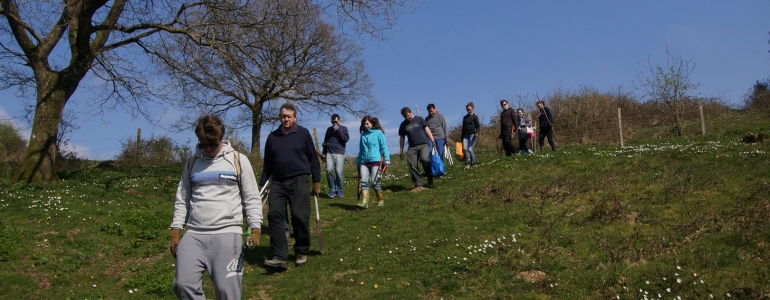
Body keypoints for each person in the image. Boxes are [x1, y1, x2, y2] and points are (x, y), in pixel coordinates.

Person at [169, 114, 263, 299]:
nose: (209, 149)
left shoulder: (238, 160)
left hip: (228, 233)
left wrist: (256, 228)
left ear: (222, 138)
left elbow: (252, 197)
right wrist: (175, 230)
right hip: (195, 233)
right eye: (204, 144)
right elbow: (182, 198)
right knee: (182, 284)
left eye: (213, 144)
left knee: (227, 291)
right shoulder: (192, 163)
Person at [260, 102, 321, 270]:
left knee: (299, 215)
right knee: (274, 216)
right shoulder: (272, 137)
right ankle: (279, 256)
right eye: (283, 116)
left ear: (294, 117)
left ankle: (301, 250)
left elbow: (313, 158)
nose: (286, 119)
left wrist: (316, 181)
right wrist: (262, 187)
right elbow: (268, 165)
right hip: (278, 182)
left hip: (299, 179)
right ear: (279, 118)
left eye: (289, 116)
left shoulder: (303, 133)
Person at [355, 116, 391, 208]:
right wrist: (358, 162)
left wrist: (387, 159)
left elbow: (384, 146)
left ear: (372, 123)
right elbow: (361, 149)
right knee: (363, 181)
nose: (365, 125)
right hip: (364, 161)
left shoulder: (378, 133)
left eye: (367, 123)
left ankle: (380, 200)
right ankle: (365, 202)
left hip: (375, 160)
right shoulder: (363, 135)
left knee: (375, 182)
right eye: (364, 124)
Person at [398, 107, 436, 192]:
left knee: (425, 159)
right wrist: (401, 149)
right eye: (406, 117)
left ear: (411, 112)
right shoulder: (403, 125)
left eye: (408, 115)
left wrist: (432, 140)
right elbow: (402, 138)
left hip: (424, 144)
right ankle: (419, 184)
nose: (408, 117)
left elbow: (427, 129)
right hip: (412, 147)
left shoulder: (419, 119)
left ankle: (429, 176)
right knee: (412, 164)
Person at [321, 114, 349, 198]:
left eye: (336, 122)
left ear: (339, 120)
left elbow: (345, 139)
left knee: (338, 172)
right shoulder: (329, 129)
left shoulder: (344, 129)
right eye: (333, 122)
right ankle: (332, 189)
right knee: (329, 170)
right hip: (329, 152)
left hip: (339, 152)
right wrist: (324, 151)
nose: (334, 124)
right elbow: (325, 141)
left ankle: (339, 190)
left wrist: (338, 130)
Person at [461, 102, 481, 169]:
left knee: (470, 149)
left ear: (473, 109)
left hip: (472, 134)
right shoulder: (465, 118)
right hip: (465, 135)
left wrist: (477, 133)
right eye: (467, 110)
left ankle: (473, 162)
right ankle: (467, 163)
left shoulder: (475, 117)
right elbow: (463, 128)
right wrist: (461, 138)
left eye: (470, 109)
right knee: (465, 149)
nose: (469, 111)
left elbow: (478, 126)